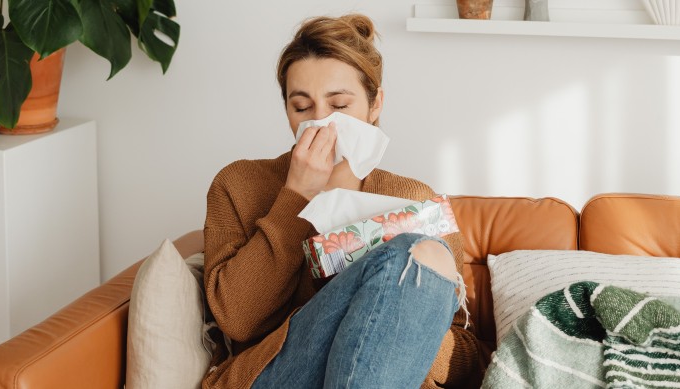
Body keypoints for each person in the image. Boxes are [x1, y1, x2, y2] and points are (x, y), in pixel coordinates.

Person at [202, 14, 482, 389]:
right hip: (273, 376)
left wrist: (392, 311)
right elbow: (237, 320)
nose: (321, 123)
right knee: (414, 254)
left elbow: (466, 356)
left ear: (374, 105)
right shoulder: (238, 184)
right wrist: (297, 197)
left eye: (338, 105)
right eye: (301, 107)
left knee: (414, 254)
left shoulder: (415, 202)